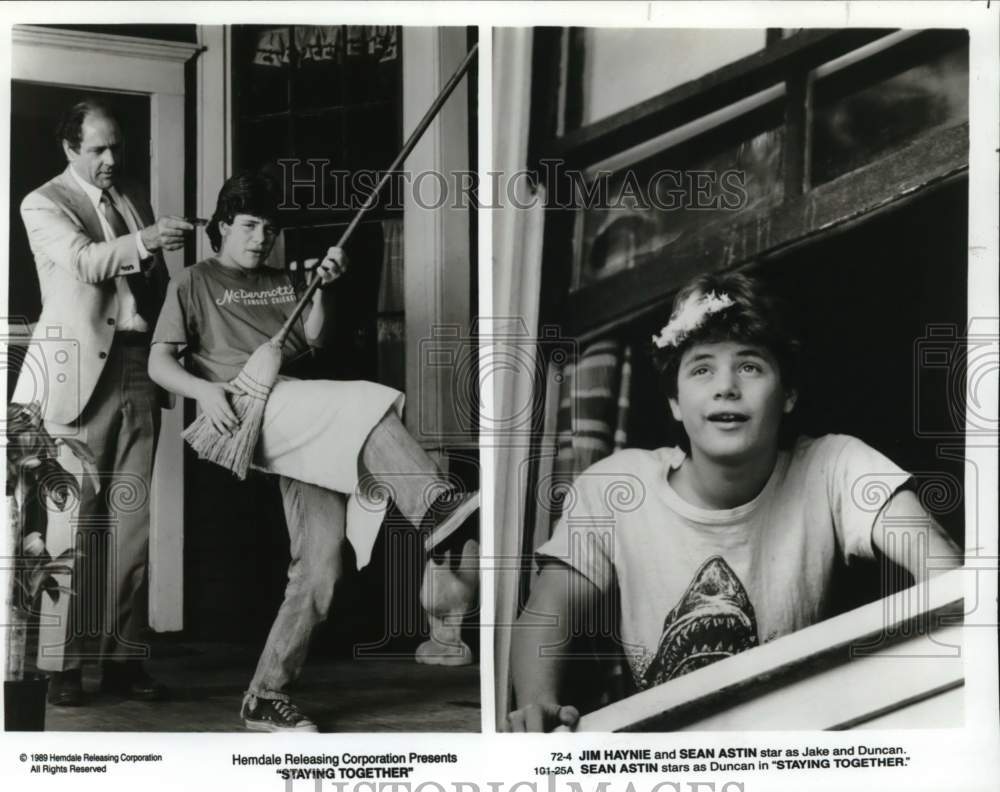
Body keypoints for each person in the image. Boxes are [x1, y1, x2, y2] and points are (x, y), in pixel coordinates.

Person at [505, 271, 963, 732]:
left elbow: (942, 565)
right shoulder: (616, 487)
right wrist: (537, 702)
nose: (726, 386)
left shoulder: (833, 467)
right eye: (701, 369)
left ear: (788, 394)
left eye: (750, 367)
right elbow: (550, 606)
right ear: (674, 401)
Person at [148, 173, 479, 732]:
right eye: (248, 226)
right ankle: (434, 508)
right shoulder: (193, 281)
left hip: (301, 412)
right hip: (250, 406)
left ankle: (264, 695)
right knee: (366, 400)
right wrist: (204, 391)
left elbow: (316, 340)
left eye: (268, 229)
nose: (260, 238)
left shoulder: (283, 281)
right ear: (222, 226)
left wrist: (321, 287)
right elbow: (160, 361)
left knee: (321, 569)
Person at [11, 98, 194, 707]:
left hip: (140, 368)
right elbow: (86, 262)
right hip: (78, 379)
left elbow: (154, 284)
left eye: (116, 146)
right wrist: (147, 238)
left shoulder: (132, 195)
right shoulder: (42, 203)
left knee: (132, 528)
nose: (112, 159)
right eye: (97, 149)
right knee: (74, 527)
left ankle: (121, 661)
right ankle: (61, 666)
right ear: (70, 149)